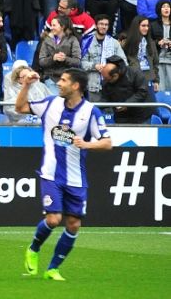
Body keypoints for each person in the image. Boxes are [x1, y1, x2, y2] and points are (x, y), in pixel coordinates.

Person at [15, 67, 112, 281]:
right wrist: (26, 85)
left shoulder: (90, 112)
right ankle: (33, 248)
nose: (59, 83)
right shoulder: (50, 103)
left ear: (76, 86)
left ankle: (53, 269)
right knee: (53, 218)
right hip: (51, 173)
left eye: (64, 80)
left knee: (74, 224)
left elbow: (107, 143)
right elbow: (20, 107)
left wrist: (87, 144)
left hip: (76, 177)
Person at [80, 14, 127, 102]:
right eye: (101, 24)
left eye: (106, 25)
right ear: (96, 25)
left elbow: (124, 62)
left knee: (110, 113)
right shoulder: (86, 42)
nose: (104, 27)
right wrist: (95, 66)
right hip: (92, 86)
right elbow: (81, 63)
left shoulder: (114, 43)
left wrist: (112, 69)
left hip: (111, 86)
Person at [100, 55, 156, 123]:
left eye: (107, 79)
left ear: (115, 75)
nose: (105, 81)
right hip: (121, 116)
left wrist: (127, 104)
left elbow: (142, 92)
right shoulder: (106, 81)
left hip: (141, 115)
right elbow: (105, 98)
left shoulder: (135, 73)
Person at [39, 15, 81, 94]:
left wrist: (65, 59)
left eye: (54, 25)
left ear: (62, 26)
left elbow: (77, 61)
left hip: (67, 80)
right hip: (50, 79)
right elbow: (41, 61)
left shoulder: (73, 40)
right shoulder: (46, 40)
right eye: (51, 25)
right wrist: (53, 58)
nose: (51, 28)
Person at [123, 15, 160, 92]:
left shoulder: (151, 43)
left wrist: (156, 80)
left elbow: (155, 63)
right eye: (143, 26)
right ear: (136, 26)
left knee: (151, 103)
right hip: (132, 82)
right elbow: (124, 64)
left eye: (147, 26)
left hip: (149, 81)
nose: (146, 28)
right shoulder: (127, 43)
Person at [150, 0, 171, 91]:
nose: (166, 8)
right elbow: (148, 42)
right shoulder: (153, 25)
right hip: (158, 60)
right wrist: (158, 43)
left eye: (168, 6)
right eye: (163, 7)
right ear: (159, 10)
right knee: (160, 89)